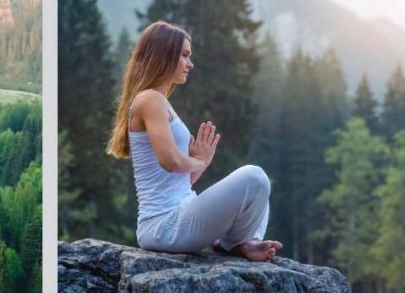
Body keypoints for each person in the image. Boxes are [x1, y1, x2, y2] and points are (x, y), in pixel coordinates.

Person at [106, 21, 282, 262]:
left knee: (259, 192)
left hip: (181, 213)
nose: (191, 64)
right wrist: (199, 160)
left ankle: (242, 243)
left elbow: (176, 180)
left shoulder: (160, 101)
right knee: (255, 178)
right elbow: (170, 162)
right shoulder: (149, 99)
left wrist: (202, 163)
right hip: (162, 225)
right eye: (185, 55)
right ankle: (235, 243)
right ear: (165, 55)